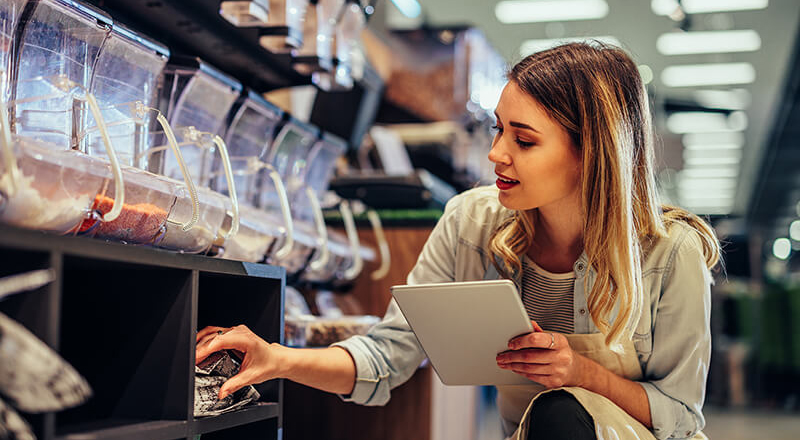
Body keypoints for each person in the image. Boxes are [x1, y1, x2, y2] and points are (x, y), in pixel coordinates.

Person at [196, 42, 720, 440]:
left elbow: (678, 415)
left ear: (592, 152)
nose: (496, 153)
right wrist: (280, 359)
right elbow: (388, 354)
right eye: (498, 130)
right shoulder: (474, 223)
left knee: (564, 412)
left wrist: (581, 373)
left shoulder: (672, 252)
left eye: (524, 139)